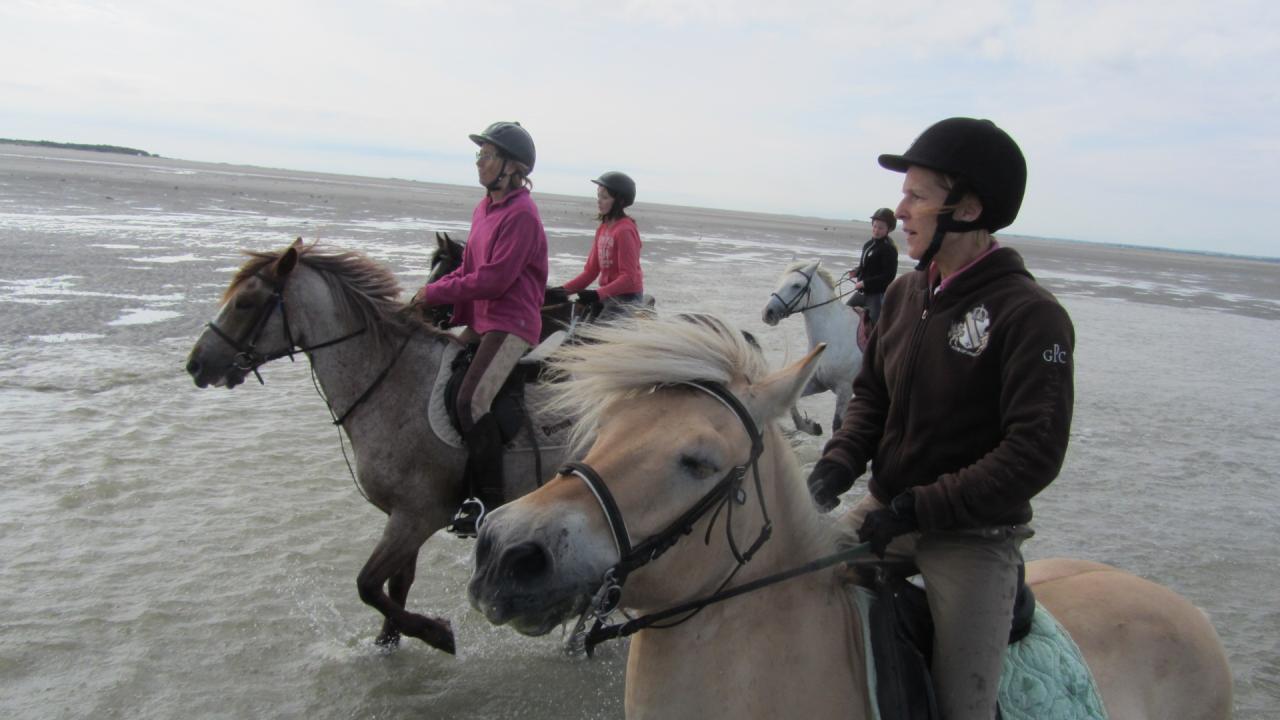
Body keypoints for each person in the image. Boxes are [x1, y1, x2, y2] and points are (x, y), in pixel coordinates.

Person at [806, 117, 1075, 720]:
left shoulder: (1031, 316)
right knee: (788, 591)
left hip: (972, 540)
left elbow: (1033, 452)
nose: (900, 209)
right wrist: (837, 466)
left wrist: (920, 508)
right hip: (886, 511)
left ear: (970, 207)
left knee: (960, 708)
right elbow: (871, 397)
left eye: (917, 195)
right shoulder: (904, 296)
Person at [415, 121, 548, 536]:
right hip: (483, 319)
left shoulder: (522, 214)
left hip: (513, 321)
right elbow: (471, 270)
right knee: (437, 372)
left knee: (472, 399)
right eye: (479, 155)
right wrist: (453, 315)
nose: (479, 163)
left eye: (486, 156)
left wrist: (431, 292)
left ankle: (486, 502)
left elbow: (494, 279)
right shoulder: (483, 208)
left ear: (512, 167)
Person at [557, 171, 644, 321]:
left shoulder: (625, 230)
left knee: (599, 339)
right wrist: (562, 291)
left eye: (605, 197)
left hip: (627, 298)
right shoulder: (602, 229)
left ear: (620, 201)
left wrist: (597, 294)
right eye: (599, 196)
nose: (599, 201)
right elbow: (591, 271)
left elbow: (628, 277)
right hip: (607, 294)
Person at [845, 207, 899, 325]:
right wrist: (857, 272)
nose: (876, 230)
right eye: (874, 226)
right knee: (844, 312)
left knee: (877, 328)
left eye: (880, 228)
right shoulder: (868, 244)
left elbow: (888, 276)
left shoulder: (889, 249)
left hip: (877, 296)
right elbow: (866, 267)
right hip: (862, 293)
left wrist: (865, 283)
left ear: (888, 229)